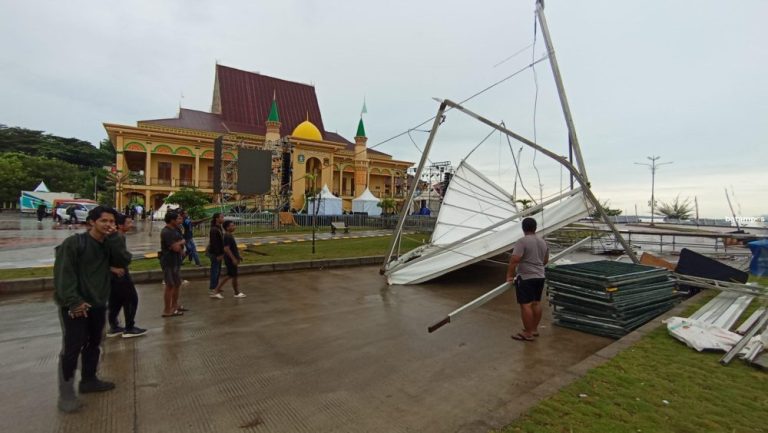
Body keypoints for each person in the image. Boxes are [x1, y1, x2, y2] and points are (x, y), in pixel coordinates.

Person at [53, 206, 131, 413]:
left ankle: (89, 380)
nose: (108, 225)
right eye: (104, 221)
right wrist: (73, 301)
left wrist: (115, 239)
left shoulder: (108, 245)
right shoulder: (74, 243)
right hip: (77, 305)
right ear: (92, 222)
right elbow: (64, 274)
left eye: (112, 222)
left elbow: (123, 260)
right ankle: (66, 394)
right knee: (72, 348)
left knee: (94, 343)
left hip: (97, 303)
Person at [506, 217, 549, 342]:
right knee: (536, 303)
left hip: (526, 277)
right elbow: (545, 260)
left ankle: (528, 333)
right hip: (540, 276)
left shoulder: (522, 241)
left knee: (526, 305)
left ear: (523, 228)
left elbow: (514, 260)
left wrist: (509, 276)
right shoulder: (543, 242)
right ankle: (534, 329)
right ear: (535, 228)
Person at [106, 214, 147, 338]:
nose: (131, 225)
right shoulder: (117, 237)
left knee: (116, 300)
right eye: (128, 223)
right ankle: (129, 327)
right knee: (131, 298)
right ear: (120, 225)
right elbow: (121, 256)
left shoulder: (114, 236)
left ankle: (114, 326)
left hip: (113, 273)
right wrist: (125, 260)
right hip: (120, 273)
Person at [160, 210, 186, 317]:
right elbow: (175, 247)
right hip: (168, 261)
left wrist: (180, 247)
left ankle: (174, 305)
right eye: (177, 219)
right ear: (172, 220)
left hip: (175, 260)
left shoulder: (175, 229)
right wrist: (181, 243)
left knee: (177, 283)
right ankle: (167, 310)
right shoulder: (166, 232)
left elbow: (179, 244)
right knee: (170, 285)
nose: (179, 220)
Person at [210, 220, 246, 299]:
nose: (234, 227)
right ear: (227, 228)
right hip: (230, 259)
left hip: (232, 258)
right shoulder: (227, 236)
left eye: (234, 225)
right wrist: (233, 259)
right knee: (230, 275)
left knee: (233, 275)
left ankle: (236, 292)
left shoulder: (229, 235)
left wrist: (238, 256)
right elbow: (226, 249)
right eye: (232, 226)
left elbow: (232, 248)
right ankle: (216, 291)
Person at [207, 212, 225, 295]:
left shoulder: (219, 227)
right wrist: (218, 254)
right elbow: (214, 243)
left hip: (219, 253)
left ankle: (216, 287)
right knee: (215, 270)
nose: (223, 218)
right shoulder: (214, 229)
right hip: (215, 254)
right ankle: (213, 288)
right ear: (217, 219)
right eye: (221, 217)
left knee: (217, 270)